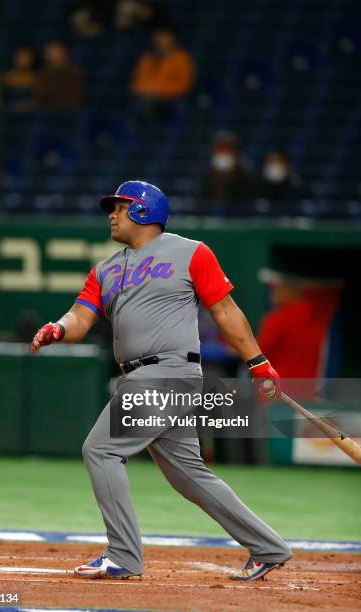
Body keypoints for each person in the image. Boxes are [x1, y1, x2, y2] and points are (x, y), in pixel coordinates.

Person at [30, 180, 291, 582]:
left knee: (100, 450)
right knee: (188, 474)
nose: (111, 214)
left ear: (143, 210)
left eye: (118, 207)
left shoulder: (191, 252)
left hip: (166, 373)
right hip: (143, 377)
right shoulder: (106, 268)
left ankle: (123, 555)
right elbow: (80, 316)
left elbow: (225, 309)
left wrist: (257, 361)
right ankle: (268, 547)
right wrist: (58, 329)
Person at [130, 27, 195, 118]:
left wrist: (159, 91)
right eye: (158, 37)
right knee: (139, 105)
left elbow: (183, 85)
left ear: (173, 39)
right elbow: (137, 81)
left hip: (171, 99)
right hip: (146, 97)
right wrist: (144, 89)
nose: (161, 40)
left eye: (164, 37)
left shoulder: (182, 59)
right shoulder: (147, 58)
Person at [199, 132, 258, 215]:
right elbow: (202, 203)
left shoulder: (246, 173)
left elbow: (249, 201)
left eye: (227, 149)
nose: (224, 153)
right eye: (220, 149)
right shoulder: (206, 174)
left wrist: (231, 177)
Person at [33, 40, 84, 109]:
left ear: (64, 52)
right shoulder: (42, 74)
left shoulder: (75, 72)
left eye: (55, 51)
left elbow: (76, 98)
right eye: (49, 52)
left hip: (69, 113)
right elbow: (38, 97)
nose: (51, 55)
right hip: (46, 112)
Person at [258, 149, 304, 214]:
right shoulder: (261, 183)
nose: (274, 165)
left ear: (285, 163)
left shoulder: (294, 183)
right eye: (271, 161)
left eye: (277, 160)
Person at [3, 45, 37, 111]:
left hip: (30, 111)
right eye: (21, 57)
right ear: (15, 58)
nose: (24, 60)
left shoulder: (36, 77)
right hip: (9, 111)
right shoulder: (8, 77)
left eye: (27, 57)